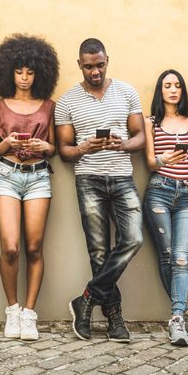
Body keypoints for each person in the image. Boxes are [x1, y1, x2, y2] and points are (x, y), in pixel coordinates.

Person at [56, 38, 145, 343]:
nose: (95, 71)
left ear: (108, 60)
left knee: (133, 238)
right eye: (89, 66)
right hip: (88, 179)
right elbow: (64, 151)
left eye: (100, 65)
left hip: (122, 177)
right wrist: (83, 147)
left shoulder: (127, 92)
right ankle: (115, 318)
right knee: (98, 251)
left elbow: (140, 138)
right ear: (79, 64)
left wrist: (123, 144)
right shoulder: (67, 101)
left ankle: (86, 298)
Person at [0, 34, 59, 341]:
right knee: (11, 247)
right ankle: (12, 310)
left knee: (33, 248)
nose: (25, 77)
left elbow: (55, 147)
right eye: (19, 71)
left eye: (30, 71)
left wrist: (44, 145)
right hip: (6, 175)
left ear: (40, 72)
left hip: (38, 177)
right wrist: (6, 143)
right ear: (8, 72)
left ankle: (29, 313)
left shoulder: (48, 105)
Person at [142, 69, 188, 346]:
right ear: (160, 90)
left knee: (180, 258)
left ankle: (178, 318)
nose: (173, 90)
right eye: (167, 85)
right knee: (168, 255)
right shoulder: (151, 122)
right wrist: (163, 158)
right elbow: (148, 162)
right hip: (159, 189)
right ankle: (183, 317)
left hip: (186, 195)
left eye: (177, 85)